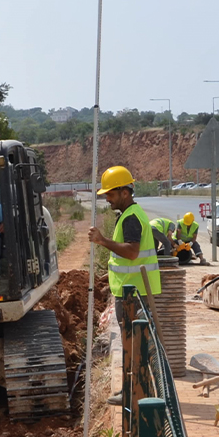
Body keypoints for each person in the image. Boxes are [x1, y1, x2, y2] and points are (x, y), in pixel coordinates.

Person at [86, 165, 160, 405]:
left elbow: (131, 252)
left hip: (133, 293)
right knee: (133, 344)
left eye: (110, 194)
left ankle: (135, 393)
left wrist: (102, 240)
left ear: (124, 193)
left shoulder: (131, 219)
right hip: (130, 290)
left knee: (133, 344)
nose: (107, 198)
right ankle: (134, 391)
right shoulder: (129, 215)